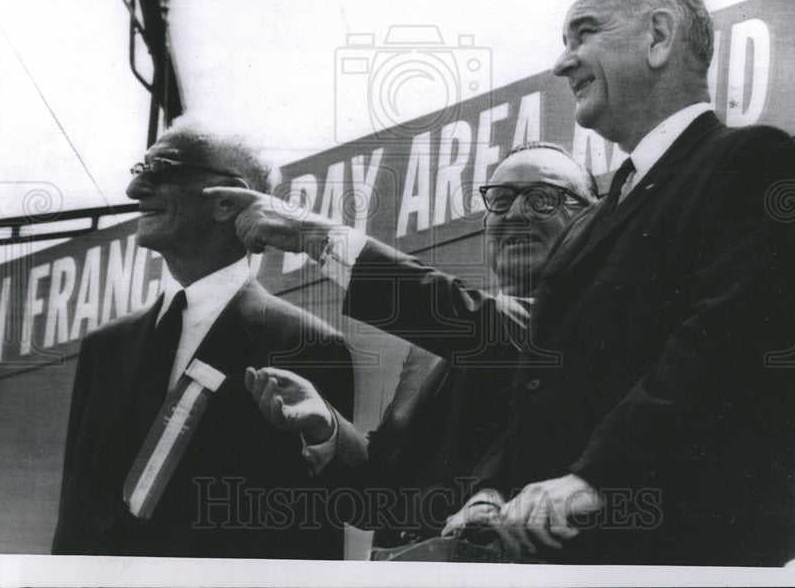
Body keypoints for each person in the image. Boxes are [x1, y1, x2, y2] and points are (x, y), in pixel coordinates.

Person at [442, 0, 795, 565]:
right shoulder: (592, 221)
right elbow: (543, 385)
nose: (563, 63)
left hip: (692, 554)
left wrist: (599, 477)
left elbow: (730, 346)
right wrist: (492, 486)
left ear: (658, 37)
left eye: (583, 33)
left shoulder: (750, 164)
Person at [208, 143, 597, 547]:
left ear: (590, 220)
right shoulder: (431, 352)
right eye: (500, 200)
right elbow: (381, 495)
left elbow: (484, 324)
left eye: (542, 199)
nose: (516, 214)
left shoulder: (589, 322)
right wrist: (325, 427)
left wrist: (315, 237)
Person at [51, 117, 355, 559]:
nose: (134, 192)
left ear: (226, 201)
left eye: (161, 171)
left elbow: (311, 538)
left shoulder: (306, 344)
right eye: (141, 171)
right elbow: (74, 518)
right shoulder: (104, 347)